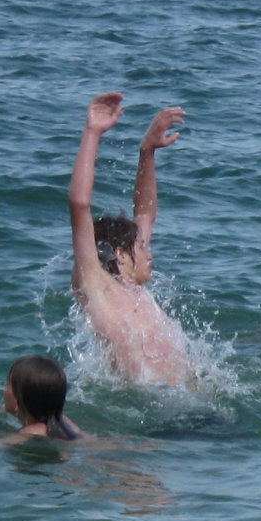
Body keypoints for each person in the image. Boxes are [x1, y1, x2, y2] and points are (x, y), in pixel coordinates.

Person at [68, 92, 194, 387]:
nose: (150, 255)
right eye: (141, 248)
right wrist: (92, 133)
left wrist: (147, 151)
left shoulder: (135, 289)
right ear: (120, 255)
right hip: (153, 407)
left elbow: (146, 213)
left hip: (190, 397)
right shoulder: (98, 286)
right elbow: (79, 205)